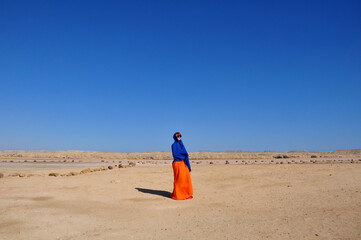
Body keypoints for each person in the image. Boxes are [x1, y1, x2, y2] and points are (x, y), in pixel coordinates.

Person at [171, 132, 193, 200]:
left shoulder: (181, 144)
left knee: (186, 179)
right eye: (178, 136)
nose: (179, 137)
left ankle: (186, 194)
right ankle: (178, 195)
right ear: (175, 137)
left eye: (180, 136)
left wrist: (185, 155)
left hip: (183, 163)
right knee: (179, 179)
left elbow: (184, 153)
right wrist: (184, 155)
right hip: (177, 163)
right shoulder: (174, 145)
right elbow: (176, 155)